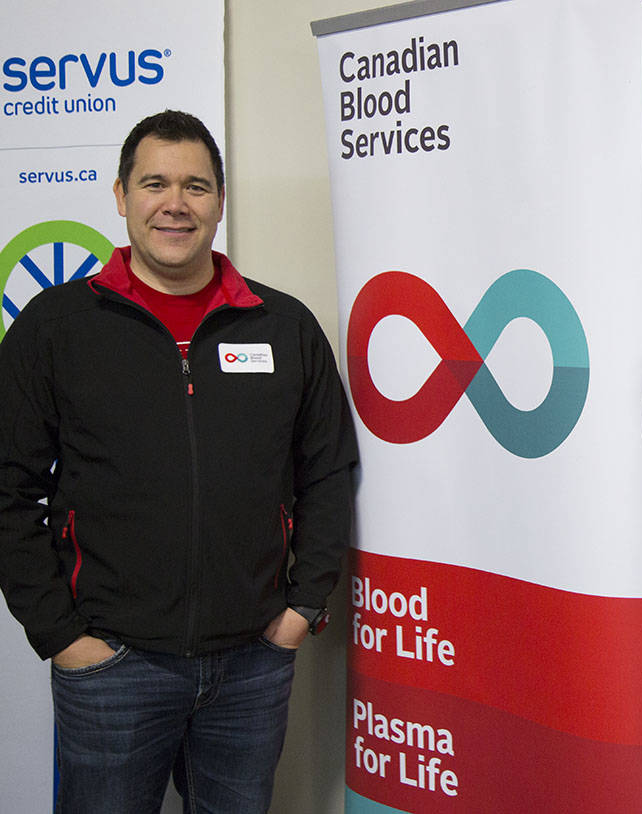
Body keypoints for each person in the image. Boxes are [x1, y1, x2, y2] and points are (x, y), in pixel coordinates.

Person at [0, 110, 358, 813]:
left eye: (195, 186)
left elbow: (328, 470)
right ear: (120, 195)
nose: (175, 203)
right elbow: (8, 487)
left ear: (220, 201)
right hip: (109, 665)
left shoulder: (282, 326)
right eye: (154, 182)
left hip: (253, 666)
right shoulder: (57, 326)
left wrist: (301, 609)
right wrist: (61, 636)